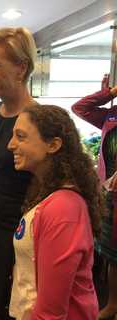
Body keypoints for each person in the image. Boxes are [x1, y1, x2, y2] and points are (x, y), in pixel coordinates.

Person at [8, 104, 101, 320]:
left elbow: (51, 313)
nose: (10, 145)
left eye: (20, 137)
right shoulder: (47, 193)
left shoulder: (63, 209)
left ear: (53, 145)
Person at [0, 27, 38, 319]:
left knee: (24, 306)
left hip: (29, 230)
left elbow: (55, 188)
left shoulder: (41, 120)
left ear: (21, 67)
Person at [72, 83, 117, 320]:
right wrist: (108, 94)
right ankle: (112, 304)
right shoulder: (112, 114)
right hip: (110, 196)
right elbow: (80, 108)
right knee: (112, 255)